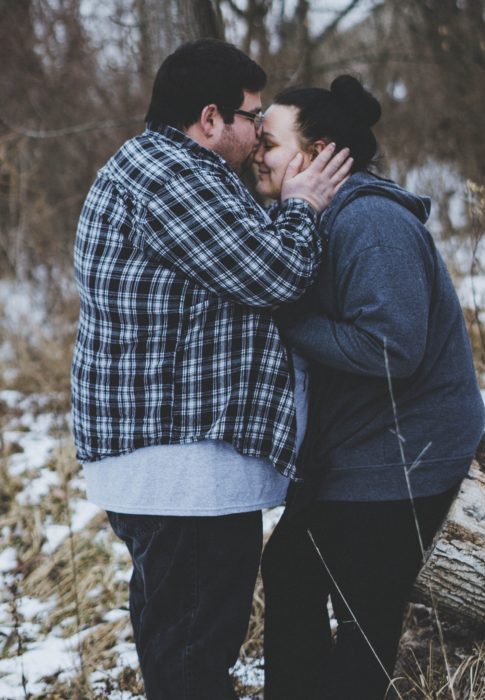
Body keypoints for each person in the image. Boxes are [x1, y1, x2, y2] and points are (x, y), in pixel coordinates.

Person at [70, 39, 351, 700]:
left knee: (179, 641)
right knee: (194, 651)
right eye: (253, 116)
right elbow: (272, 273)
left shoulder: (159, 168)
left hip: (174, 468)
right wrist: (304, 204)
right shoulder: (171, 174)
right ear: (209, 118)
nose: (259, 135)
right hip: (180, 473)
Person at [255, 75, 485, 700]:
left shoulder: (372, 224)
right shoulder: (317, 221)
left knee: (363, 619)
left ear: (319, 153)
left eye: (268, 142)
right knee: (293, 571)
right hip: (358, 455)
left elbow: (392, 348)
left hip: (405, 460)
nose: (256, 154)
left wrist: (289, 321)